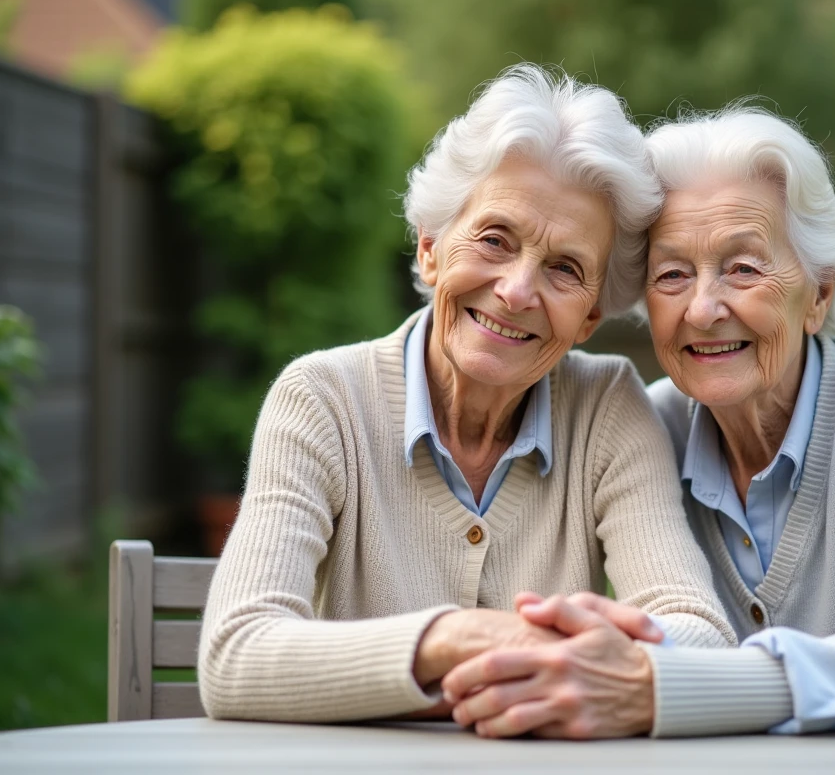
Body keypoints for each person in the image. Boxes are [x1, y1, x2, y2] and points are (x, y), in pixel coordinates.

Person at [442, 106, 835, 737]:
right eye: (672, 275)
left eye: (743, 269)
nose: (704, 308)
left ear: (819, 294)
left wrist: (687, 687)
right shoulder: (643, 429)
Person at [197, 66, 735, 725]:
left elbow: (701, 636)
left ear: (589, 320)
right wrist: (458, 639)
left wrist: (607, 659)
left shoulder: (608, 407)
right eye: (493, 239)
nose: (516, 290)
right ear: (429, 249)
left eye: (565, 269)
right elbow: (234, 656)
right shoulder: (323, 399)